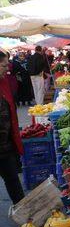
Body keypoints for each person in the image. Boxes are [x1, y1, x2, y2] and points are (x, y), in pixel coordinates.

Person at [0, 51, 25, 205]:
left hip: (6, 143)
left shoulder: (3, 82)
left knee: (12, 178)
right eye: (3, 65)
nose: (6, 69)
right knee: (11, 178)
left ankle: (24, 210)